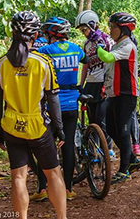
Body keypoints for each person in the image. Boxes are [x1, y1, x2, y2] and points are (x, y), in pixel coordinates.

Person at [0, 11, 67, 219]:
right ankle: (62, 217)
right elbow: (53, 99)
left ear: (13, 33)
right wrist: (59, 130)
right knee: (53, 173)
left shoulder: (1, 64)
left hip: (11, 127)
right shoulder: (43, 62)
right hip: (38, 127)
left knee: (18, 176)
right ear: (35, 35)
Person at [33, 17, 88, 201]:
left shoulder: (46, 50)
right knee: (69, 144)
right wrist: (80, 83)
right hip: (72, 103)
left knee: (45, 147)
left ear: (50, 34)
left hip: (51, 106)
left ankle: (42, 189)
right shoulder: (76, 48)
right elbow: (86, 60)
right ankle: (68, 189)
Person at [97, 12, 140, 184]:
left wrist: (98, 48)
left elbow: (106, 57)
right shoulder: (117, 45)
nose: (110, 30)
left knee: (123, 133)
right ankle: (132, 159)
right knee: (111, 128)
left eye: (113, 27)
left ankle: (124, 170)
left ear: (123, 29)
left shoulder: (127, 46)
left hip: (126, 94)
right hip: (114, 93)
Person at [75, 10, 116, 159]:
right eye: (81, 30)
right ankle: (95, 151)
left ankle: (109, 150)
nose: (83, 33)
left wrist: (107, 83)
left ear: (92, 25)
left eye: (84, 29)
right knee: (91, 119)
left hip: (103, 83)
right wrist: (81, 84)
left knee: (102, 118)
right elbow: (85, 66)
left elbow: (111, 62)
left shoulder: (107, 40)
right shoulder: (87, 44)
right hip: (91, 84)